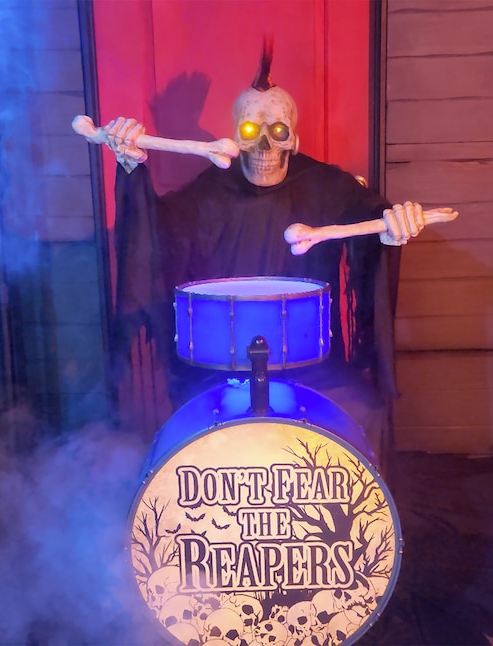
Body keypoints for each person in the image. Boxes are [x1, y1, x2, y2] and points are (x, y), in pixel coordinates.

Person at [104, 44, 428, 475]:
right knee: (194, 414)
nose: (263, 144)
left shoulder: (327, 186)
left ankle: (351, 510)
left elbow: (371, 220)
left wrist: (392, 224)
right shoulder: (205, 195)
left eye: (277, 131)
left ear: (293, 137)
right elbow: (154, 240)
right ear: (235, 135)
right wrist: (132, 170)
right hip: (222, 364)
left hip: (312, 362)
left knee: (363, 406)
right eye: (250, 129)